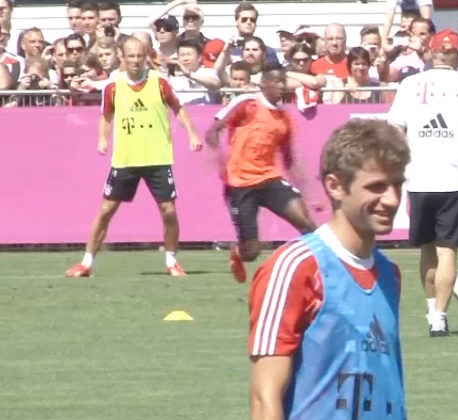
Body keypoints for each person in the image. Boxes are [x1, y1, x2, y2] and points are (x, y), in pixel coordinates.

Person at [247, 119, 417, 420]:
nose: (392, 199)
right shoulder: (296, 266)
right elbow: (265, 397)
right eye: (376, 186)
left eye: (398, 184)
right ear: (335, 186)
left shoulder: (390, 275)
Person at [65, 36, 202, 278]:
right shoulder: (114, 85)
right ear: (122, 57)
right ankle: (86, 262)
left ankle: (172, 261)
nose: (136, 61)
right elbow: (106, 116)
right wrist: (103, 139)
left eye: (140, 56)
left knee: (168, 210)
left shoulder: (159, 81)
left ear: (145, 56)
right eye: (131, 56)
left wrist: (192, 133)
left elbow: (178, 108)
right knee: (106, 209)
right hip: (126, 159)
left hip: (158, 157)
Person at [387, 29, 458, 337]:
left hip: (419, 177)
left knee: (427, 249)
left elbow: (394, 128)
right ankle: (440, 318)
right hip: (455, 178)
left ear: (431, 53)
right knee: (448, 251)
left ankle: (431, 309)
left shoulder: (410, 84)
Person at [205, 62, 318, 284]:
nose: (281, 86)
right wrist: (218, 156)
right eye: (276, 81)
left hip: (269, 179)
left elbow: (288, 159)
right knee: (252, 251)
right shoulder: (247, 104)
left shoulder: (284, 118)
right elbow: (214, 130)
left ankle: (321, 270)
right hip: (239, 183)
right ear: (264, 83)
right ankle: (239, 252)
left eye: (283, 81)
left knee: (307, 224)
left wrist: (307, 190)